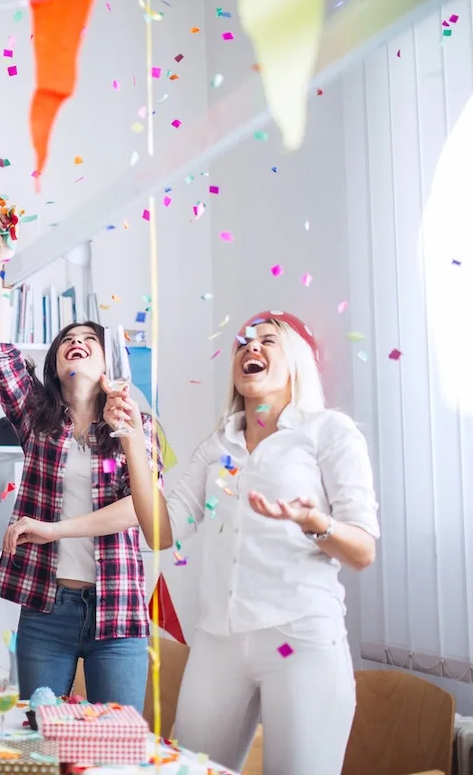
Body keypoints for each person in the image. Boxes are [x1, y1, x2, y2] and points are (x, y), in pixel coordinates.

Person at [106, 310, 379, 775]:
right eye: (242, 343)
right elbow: (160, 532)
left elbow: (363, 550)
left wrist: (315, 522)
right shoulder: (218, 445)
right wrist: (131, 438)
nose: (251, 348)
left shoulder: (328, 432)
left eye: (267, 341)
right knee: (185, 770)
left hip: (300, 640)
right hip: (219, 642)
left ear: (295, 362)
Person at [0, 231, 158, 709]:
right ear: (55, 364)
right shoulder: (35, 419)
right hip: (46, 610)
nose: (76, 343)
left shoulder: (135, 425)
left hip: (118, 608)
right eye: (67, 342)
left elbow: (138, 512)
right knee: (41, 743)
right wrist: (2, 256)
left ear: (108, 364)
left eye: (88, 340)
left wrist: (53, 529)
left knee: (115, 749)